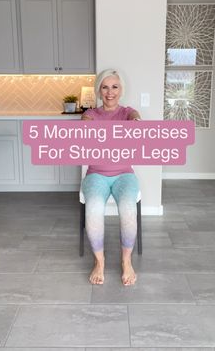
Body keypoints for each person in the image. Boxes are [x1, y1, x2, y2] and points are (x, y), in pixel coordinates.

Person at [81, 69, 141, 286]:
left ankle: (126, 262)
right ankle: (100, 261)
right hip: (96, 174)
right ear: (99, 90)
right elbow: (85, 123)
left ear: (121, 89)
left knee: (127, 207)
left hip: (124, 174)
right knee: (94, 206)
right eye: (105, 87)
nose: (110, 92)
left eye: (114, 86)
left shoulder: (127, 112)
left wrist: (135, 123)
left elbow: (135, 118)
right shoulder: (91, 114)